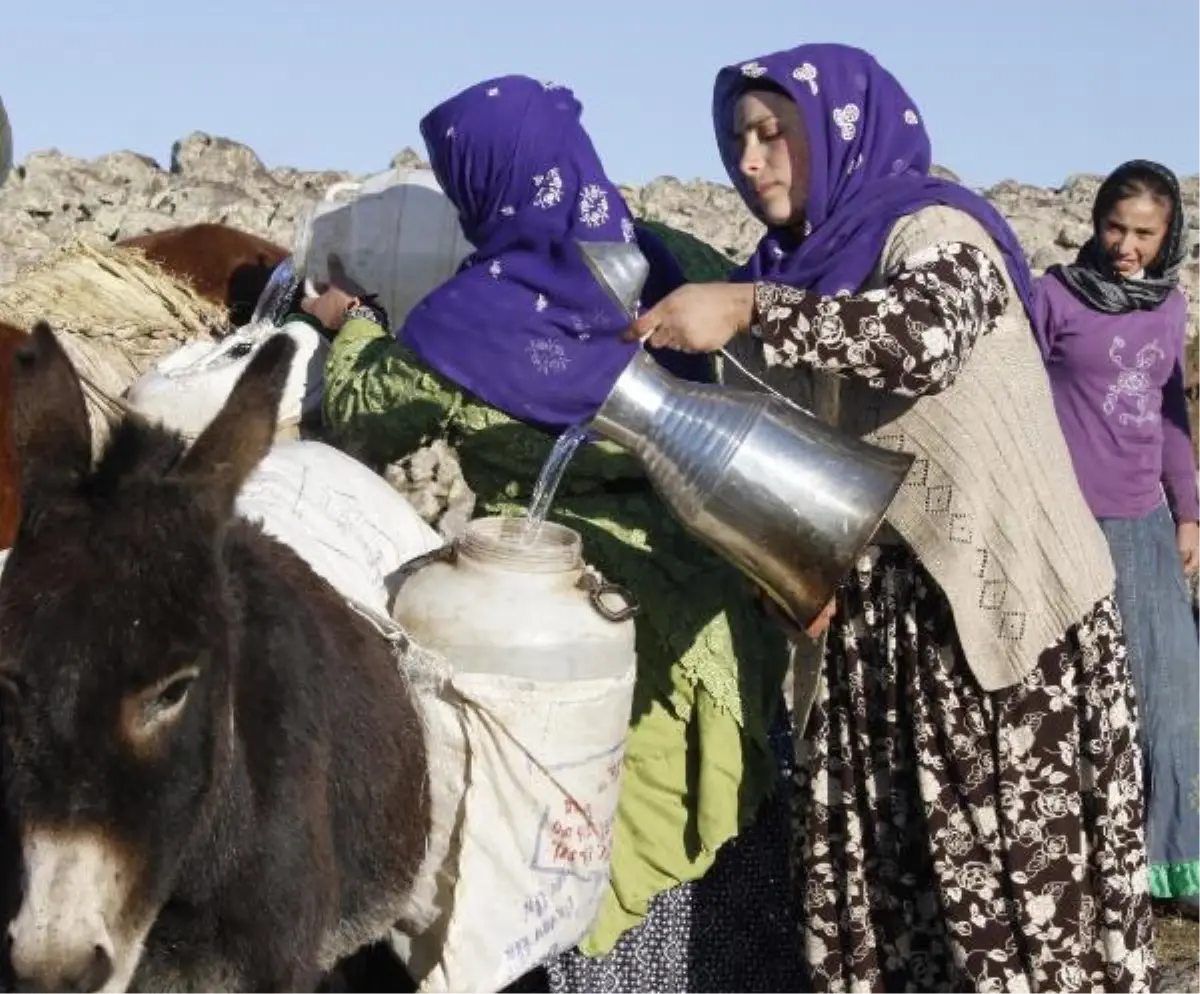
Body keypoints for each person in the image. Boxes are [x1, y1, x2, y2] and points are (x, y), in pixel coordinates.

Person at [632, 42, 1156, 993]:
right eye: (736, 141)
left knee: (1012, 924)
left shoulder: (932, 231)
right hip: (868, 655)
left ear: (836, 131)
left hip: (995, 641)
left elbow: (915, 343)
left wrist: (752, 306)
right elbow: (783, 465)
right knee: (883, 915)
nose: (749, 163)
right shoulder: (786, 269)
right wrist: (781, 583)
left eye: (771, 134)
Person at [302, 75, 801, 992]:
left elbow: (364, 415)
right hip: (724, 610)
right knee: (726, 850)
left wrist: (356, 323)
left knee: (592, 844)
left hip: (577, 632)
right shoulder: (677, 255)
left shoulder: (470, 314)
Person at [1035, 159, 1200, 919]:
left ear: (1168, 239)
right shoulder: (1052, 298)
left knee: (1170, 695)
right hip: (1063, 527)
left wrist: (1189, 512)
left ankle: (1176, 870)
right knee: (1078, 702)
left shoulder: (1168, 309)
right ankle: (1091, 861)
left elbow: (1170, 414)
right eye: (1114, 227)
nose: (1126, 247)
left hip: (1144, 527)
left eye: (1143, 234)